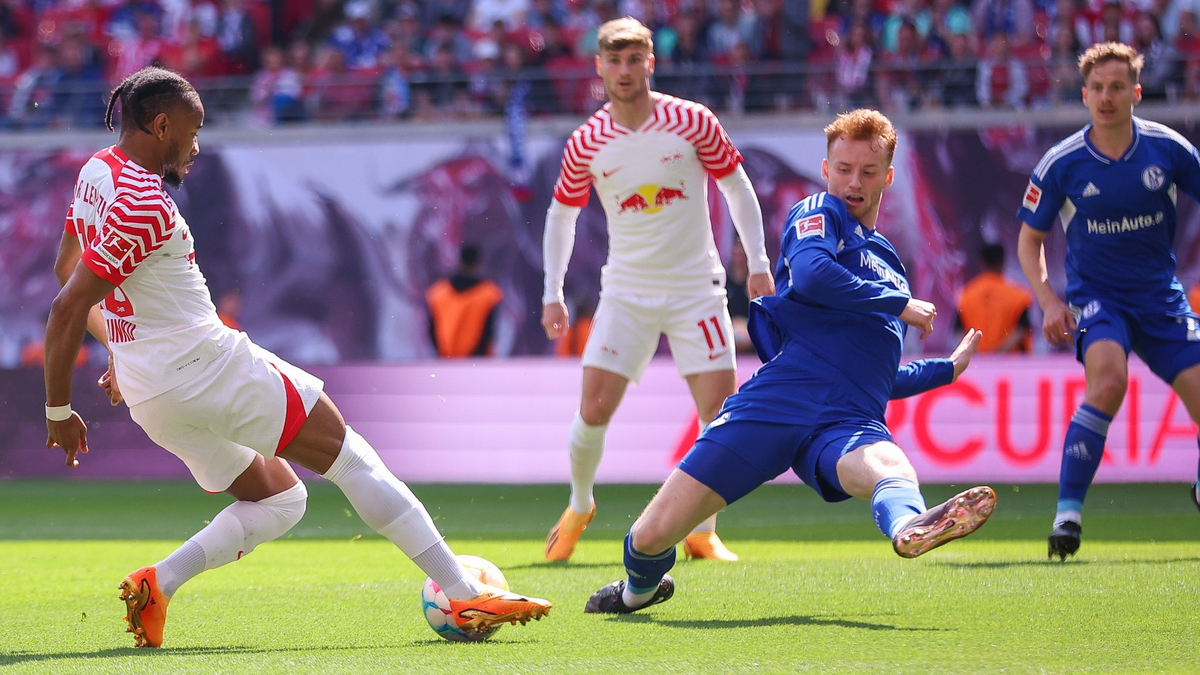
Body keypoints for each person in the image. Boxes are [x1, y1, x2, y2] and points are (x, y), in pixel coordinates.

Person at [43, 67, 551, 649]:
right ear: (162, 125)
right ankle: (463, 594)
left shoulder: (94, 174)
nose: (197, 146)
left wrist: (121, 345)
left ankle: (159, 583)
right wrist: (58, 409)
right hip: (205, 366)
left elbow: (67, 272)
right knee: (355, 461)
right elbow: (65, 306)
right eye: (193, 130)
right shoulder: (146, 201)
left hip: (150, 390)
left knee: (282, 500)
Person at [584, 109, 997, 615]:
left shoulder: (889, 262)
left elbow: (877, 374)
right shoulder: (818, 213)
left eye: (868, 172)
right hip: (781, 399)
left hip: (848, 415)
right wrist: (898, 304)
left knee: (890, 467)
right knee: (650, 536)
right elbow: (813, 276)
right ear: (826, 170)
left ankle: (910, 526)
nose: (854, 182)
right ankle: (637, 591)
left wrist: (946, 370)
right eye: (843, 168)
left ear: (888, 177)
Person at [540, 18, 775, 563]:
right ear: (599, 67)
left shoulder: (692, 121)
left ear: (651, 63)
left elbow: (737, 188)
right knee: (593, 410)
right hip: (626, 292)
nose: (624, 71)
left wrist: (760, 262)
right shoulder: (587, 142)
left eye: (634, 60)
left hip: (698, 288)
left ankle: (701, 530)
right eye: (614, 61)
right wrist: (552, 290)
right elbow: (561, 217)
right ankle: (579, 505)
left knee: (719, 413)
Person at [1016, 42, 1200, 561]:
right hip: (1099, 300)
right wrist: (1050, 301)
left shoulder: (1169, 149)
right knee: (1109, 382)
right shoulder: (1063, 163)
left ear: (1136, 93)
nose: (1106, 96)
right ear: (1084, 94)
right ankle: (1067, 515)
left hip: (1161, 299)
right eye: (1097, 88)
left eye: (1117, 87)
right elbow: (1029, 242)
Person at [426, 243, 503, 357]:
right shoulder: (489, 293)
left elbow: (432, 330)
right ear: (477, 263)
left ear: (459, 261)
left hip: (446, 360)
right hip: (477, 362)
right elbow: (489, 332)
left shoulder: (439, 292)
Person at [955, 242, 1033, 353]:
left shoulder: (965, 295)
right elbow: (1021, 330)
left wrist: (978, 353)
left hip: (977, 365)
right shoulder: (1019, 296)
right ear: (1003, 261)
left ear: (981, 262)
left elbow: (959, 330)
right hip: (1011, 366)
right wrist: (998, 353)